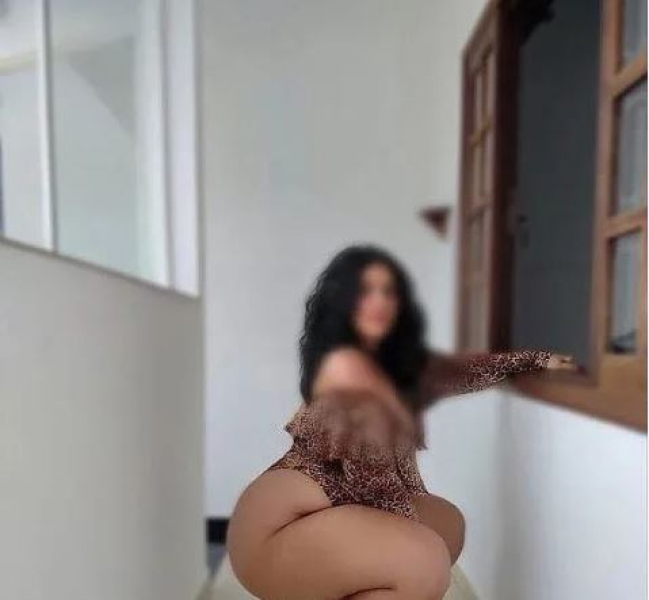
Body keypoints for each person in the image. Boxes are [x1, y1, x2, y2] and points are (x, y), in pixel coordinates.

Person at [226, 244, 577, 600]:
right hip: (275, 532)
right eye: (364, 291)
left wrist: (536, 360)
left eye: (388, 291)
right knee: (423, 560)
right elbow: (373, 484)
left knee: (446, 525)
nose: (379, 302)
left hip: (333, 514)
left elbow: (459, 372)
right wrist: (413, 547)